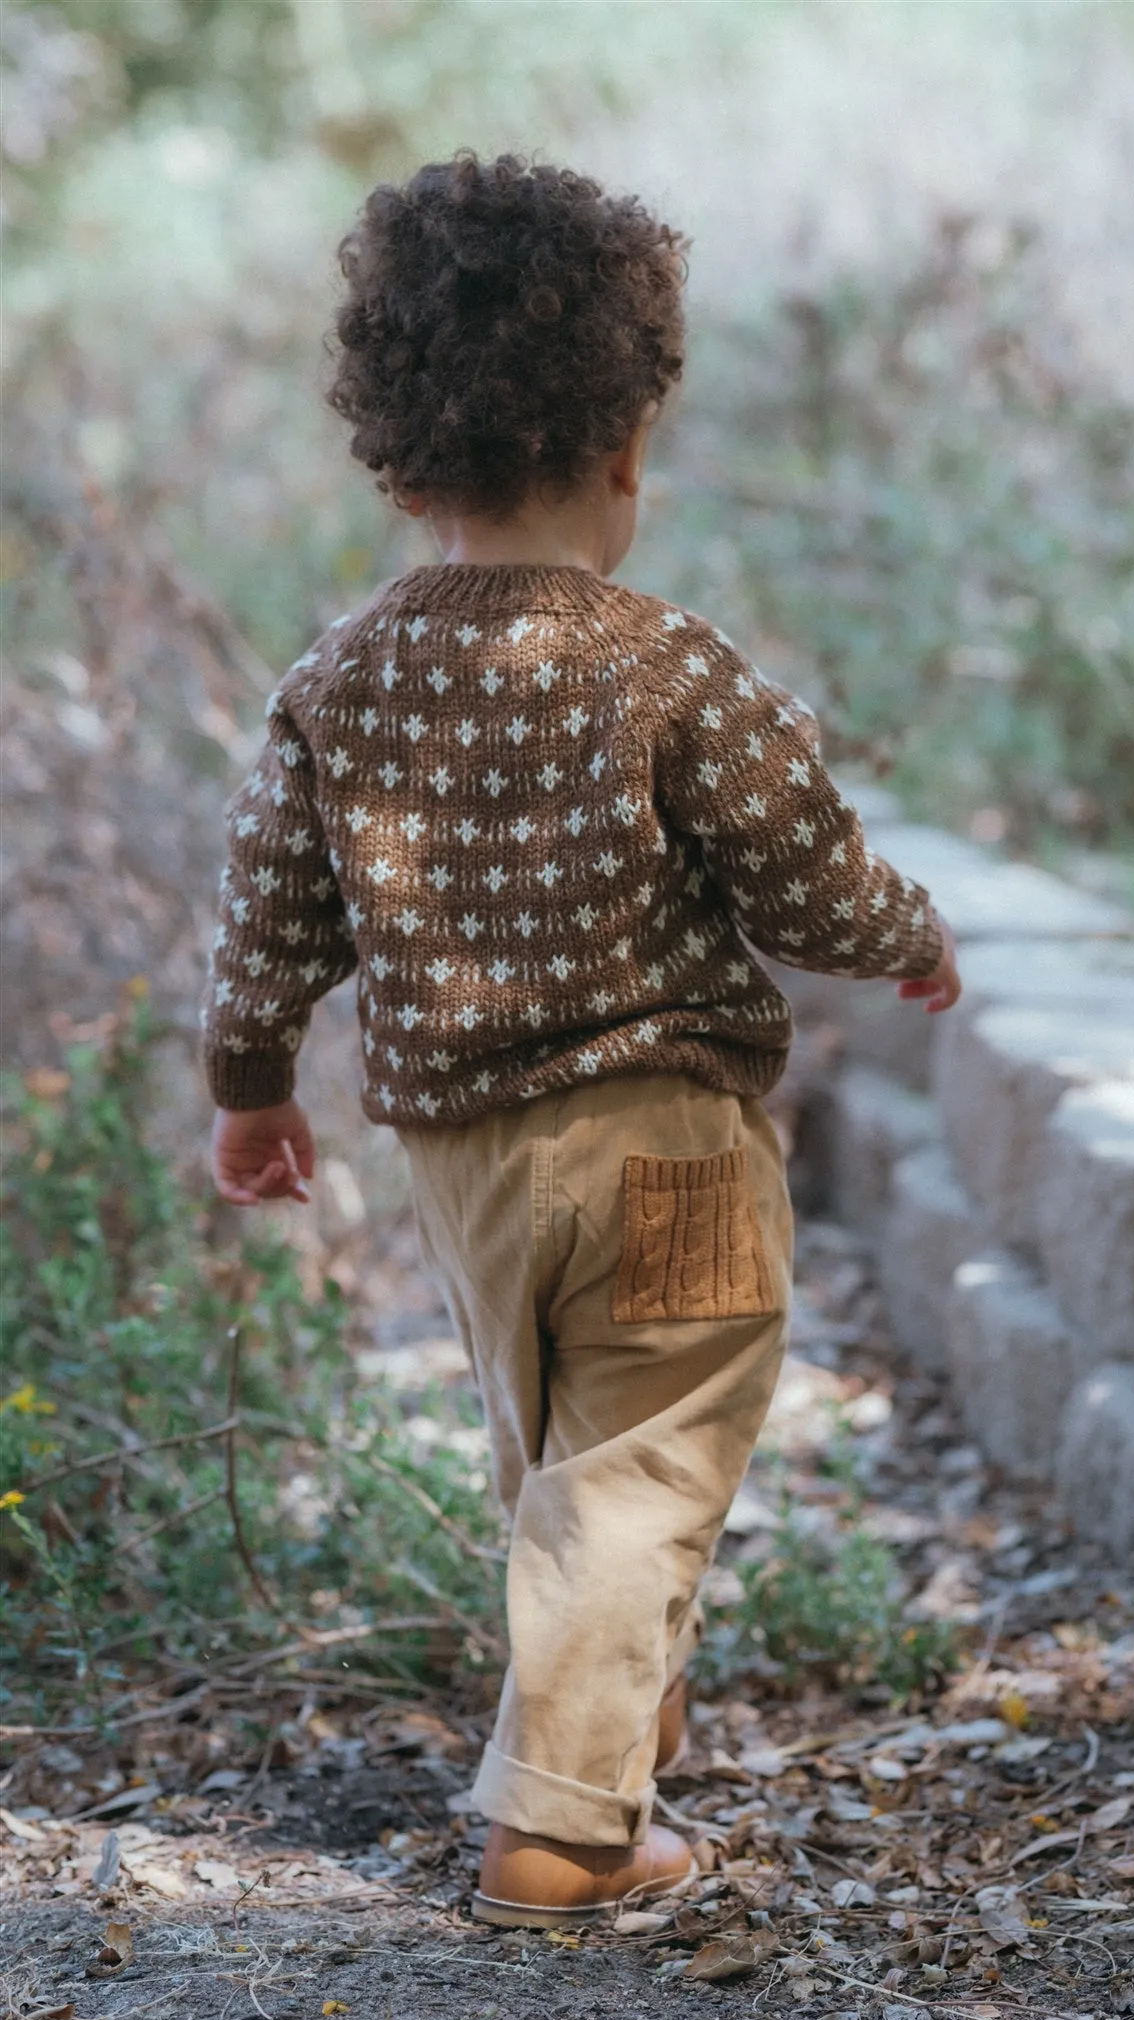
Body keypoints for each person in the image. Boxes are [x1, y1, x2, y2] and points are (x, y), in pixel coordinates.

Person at [204, 152, 960, 1929]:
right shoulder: (666, 666)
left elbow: (266, 917)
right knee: (653, 1446)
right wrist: (909, 938)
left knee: (564, 1459)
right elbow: (804, 871)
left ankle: (604, 1748)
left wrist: (250, 1093)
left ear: (395, 465)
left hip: (466, 1166)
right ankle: (557, 1833)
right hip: (667, 1143)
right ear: (627, 452)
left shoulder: (339, 679)